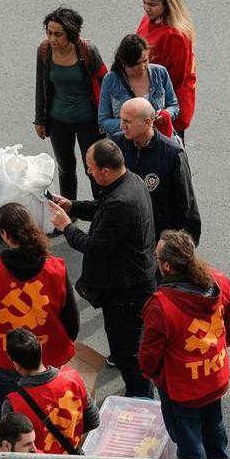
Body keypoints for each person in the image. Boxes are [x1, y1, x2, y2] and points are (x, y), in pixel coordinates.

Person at [49, 139, 156, 398]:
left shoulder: (121, 202)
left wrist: (66, 226)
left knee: (130, 355)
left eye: (91, 168)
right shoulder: (130, 182)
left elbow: (94, 247)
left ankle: (140, 401)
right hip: (131, 283)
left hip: (126, 292)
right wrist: (72, 206)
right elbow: (100, 209)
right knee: (125, 348)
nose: (89, 172)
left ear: (106, 170)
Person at [139, 230, 230, 459]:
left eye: (157, 257)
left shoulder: (162, 305)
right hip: (214, 374)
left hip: (183, 386)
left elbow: (149, 356)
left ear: (167, 266)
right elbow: (228, 323)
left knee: (191, 444)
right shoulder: (218, 282)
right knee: (214, 427)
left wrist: (157, 376)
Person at [0, 203, 80, 430]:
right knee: (49, 423)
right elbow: (72, 322)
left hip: (7, 358)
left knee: (7, 425)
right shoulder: (55, 268)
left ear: (5, 234)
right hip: (47, 361)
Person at [2, 328, 100, 459]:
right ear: (40, 350)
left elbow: (7, 450)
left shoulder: (14, 404)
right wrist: (68, 437)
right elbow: (94, 419)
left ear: (15, 364)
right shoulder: (72, 378)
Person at [34, 7, 107, 200]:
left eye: (58, 34)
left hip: (88, 121)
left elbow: (104, 81)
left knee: (92, 168)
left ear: (71, 33)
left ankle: (101, 210)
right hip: (58, 120)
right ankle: (69, 210)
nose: (53, 39)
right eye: (49, 33)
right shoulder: (44, 51)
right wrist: (40, 120)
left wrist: (106, 117)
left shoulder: (86, 50)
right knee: (65, 168)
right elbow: (41, 86)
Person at [113, 97, 201, 243]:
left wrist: (186, 243)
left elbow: (186, 203)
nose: (122, 126)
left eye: (127, 121)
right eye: (121, 119)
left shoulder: (172, 154)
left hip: (158, 239)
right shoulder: (116, 147)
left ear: (148, 122)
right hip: (125, 236)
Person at [137, 0, 196, 143]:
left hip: (166, 103)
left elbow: (176, 78)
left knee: (171, 154)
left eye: (152, 5)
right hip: (148, 95)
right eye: (144, 3)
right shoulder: (149, 19)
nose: (147, 9)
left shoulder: (176, 36)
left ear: (167, 4)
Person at [98, 34, 179, 137]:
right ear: (124, 62)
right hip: (125, 144)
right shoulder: (111, 80)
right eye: (136, 64)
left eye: (145, 61)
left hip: (157, 140)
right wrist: (131, 125)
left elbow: (173, 105)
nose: (142, 67)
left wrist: (165, 115)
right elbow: (104, 121)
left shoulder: (160, 73)